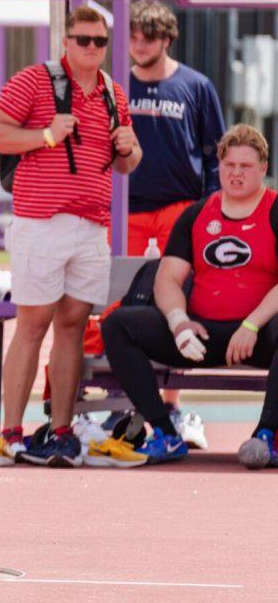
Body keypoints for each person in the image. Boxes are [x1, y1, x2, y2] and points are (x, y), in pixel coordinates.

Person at [0, 5, 140, 468]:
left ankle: (62, 429)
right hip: (41, 222)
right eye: (82, 39)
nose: (91, 48)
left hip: (91, 227)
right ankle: (10, 432)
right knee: (32, 324)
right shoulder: (34, 80)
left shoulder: (113, 92)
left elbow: (128, 161)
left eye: (99, 41)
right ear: (65, 42)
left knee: (72, 325)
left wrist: (129, 148)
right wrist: (46, 135)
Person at [89, 125, 278, 468]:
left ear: (263, 168)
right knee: (119, 325)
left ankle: (267, 434)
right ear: (219, 167)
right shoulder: (197, 214)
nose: (236, 173)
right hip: (200, 335)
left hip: (258, 336)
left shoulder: (275, 209)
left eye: (246, 166)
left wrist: (251, 324)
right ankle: (164, 432)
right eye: (229, 165)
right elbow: (167, 278)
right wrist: (179, 323)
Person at [123, 0, 225, 449]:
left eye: (147, 37)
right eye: (133, 36)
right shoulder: (115, 86)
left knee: (178, 300)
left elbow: (213, 154)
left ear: (165, 39)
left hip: (180, 207)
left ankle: (172, 402)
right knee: (114, 299)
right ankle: (122, 405)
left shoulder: (195, 86)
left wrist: (208, 210)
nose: (138, 44)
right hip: (123, 205)